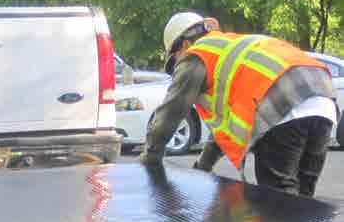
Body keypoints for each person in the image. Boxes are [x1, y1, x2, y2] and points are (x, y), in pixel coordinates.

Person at [141, 11, 339, 197]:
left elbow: (172, 110)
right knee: (305, 200)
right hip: (322, 97)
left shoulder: (196, 55)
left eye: (174, 61)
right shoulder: (229, 47)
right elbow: (226, 128)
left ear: (183, 45)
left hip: (283, 103)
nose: (176, 67)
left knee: (279, 202)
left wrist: (150, 158)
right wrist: (203, 167)